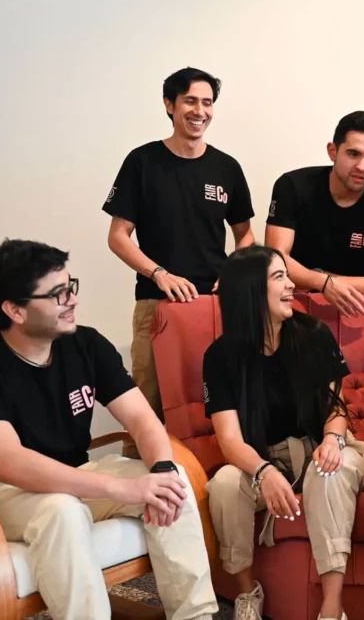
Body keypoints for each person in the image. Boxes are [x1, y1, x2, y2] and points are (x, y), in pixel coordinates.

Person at [0, 239, 218, 620]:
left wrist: (163, 470)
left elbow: (142, 420)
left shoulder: (86, 344)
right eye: (57, 294)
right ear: (14, 309)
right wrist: (121, 488)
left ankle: (195, 616)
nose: (72, 299)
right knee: (62, 510)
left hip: (72, 480)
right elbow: (7, 462)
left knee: (173, 482)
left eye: (71, 286)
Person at [203, 245, 364, 620]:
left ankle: (332, 607)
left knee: (330, 470)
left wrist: (333, 440)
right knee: (225, 484)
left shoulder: (314, 334)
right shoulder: (220, 357)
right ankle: (247, 595)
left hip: (321, 446)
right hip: (262, 458)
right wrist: (263, 472)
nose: (291, 285)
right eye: (279, 277)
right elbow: (229, 440)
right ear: (250, 289)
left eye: (287, 275)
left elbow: (336, 408)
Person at [104, 66, 255, 420]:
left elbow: (245, 234)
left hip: (216, 304)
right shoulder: (142, 162)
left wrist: (233, 273)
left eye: (207, 102)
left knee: (218, 402)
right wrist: (159, 274)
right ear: (169, 105)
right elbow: (118, 236)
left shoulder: (227, 168)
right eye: (190, 101)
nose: (200, 111)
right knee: (148, 406)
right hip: (156, 303)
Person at [265, 110, 364, 318]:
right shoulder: (292, 187)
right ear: (333, 151)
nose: (362, 166)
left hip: (354, 312)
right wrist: (323, 283)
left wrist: (322, 279)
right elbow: (276, 260)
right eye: (353, 154)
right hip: (293, 305)